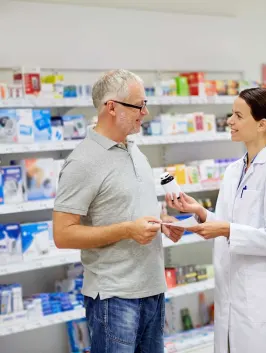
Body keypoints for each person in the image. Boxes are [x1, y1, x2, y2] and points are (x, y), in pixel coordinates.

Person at [53, 69, 183, 353]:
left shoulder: (134, 150)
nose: (145, 112)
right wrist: (127, 231)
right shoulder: (83, 162)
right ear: (111, 107)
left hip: (152, 290)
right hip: (114, 297)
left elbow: (127, 209)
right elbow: (62, 234)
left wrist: (163, 223)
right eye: (139, 105)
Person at [165, 87, 266, 353]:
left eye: (238, 115)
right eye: (232, 114)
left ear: (261, 124)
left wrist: (226, 229)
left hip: (262, 301)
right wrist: (201, 213)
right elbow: (231, 223)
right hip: (232, 296)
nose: (230, 121)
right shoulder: (233, 170)